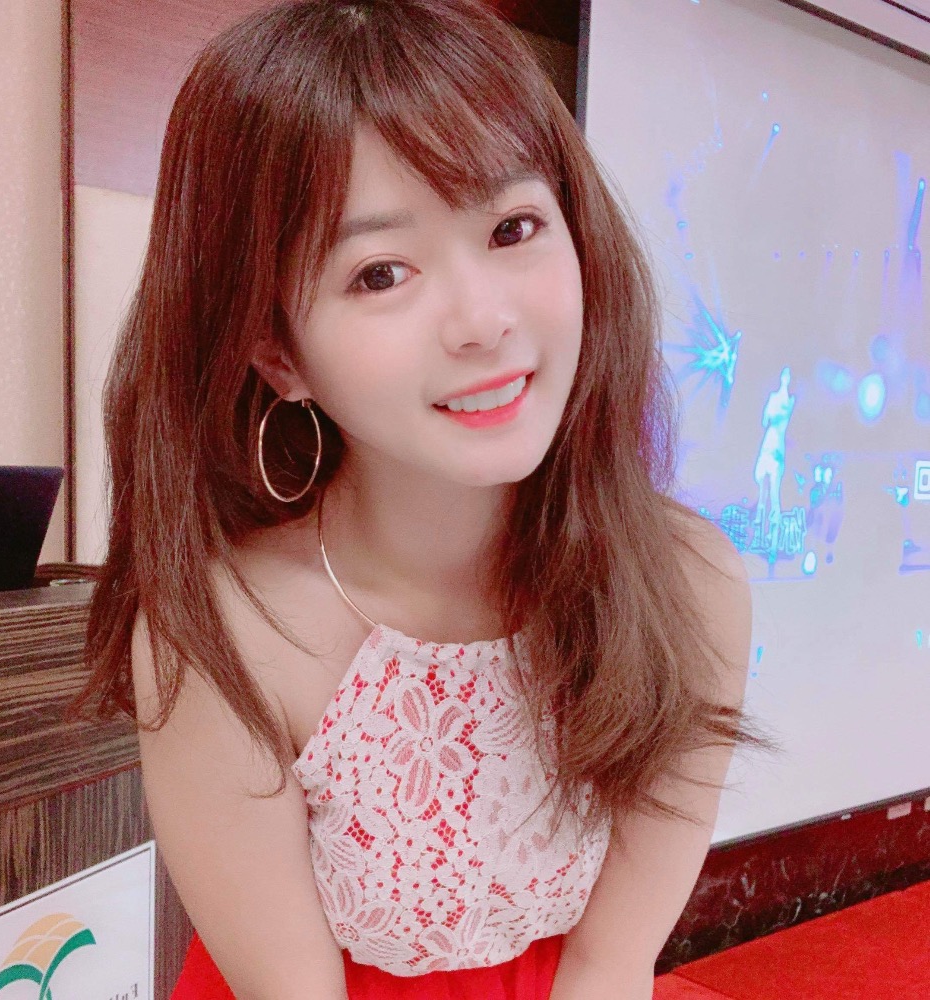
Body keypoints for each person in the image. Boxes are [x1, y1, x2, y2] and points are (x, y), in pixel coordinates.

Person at [75, 1, 775, 997]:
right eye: (380, 273)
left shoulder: (689, 584)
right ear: (277, 353)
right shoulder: (228, 631)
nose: (482, 320)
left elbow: (612, 965)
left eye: (513, 227)